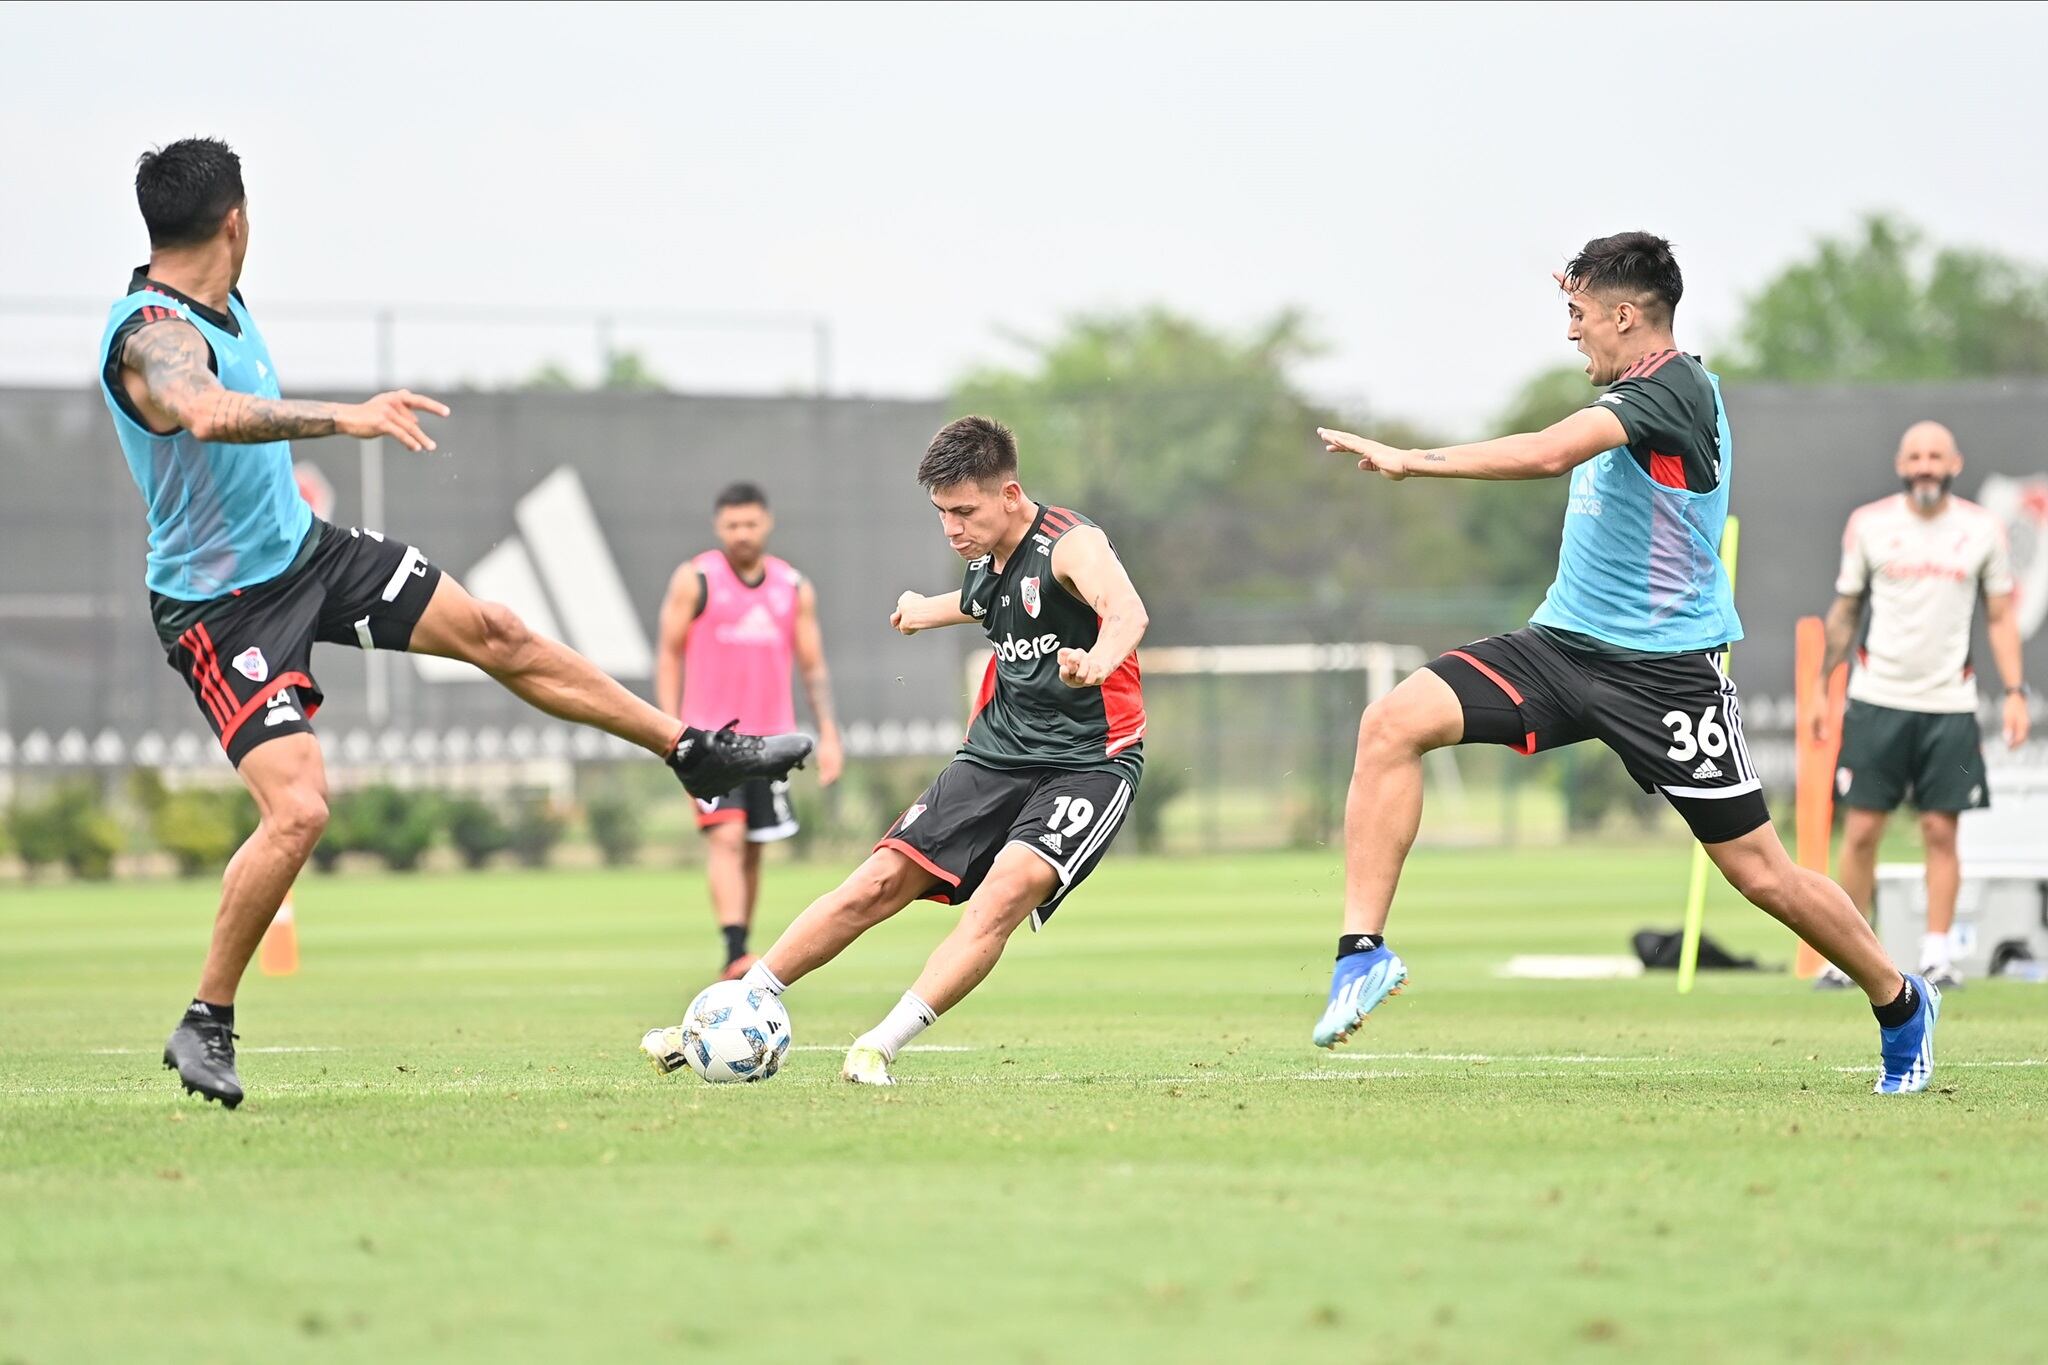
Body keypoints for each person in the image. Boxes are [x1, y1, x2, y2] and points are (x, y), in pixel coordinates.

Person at [100, 139, 810, 1109]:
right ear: (237, 221)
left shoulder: (222, 303)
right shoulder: (148, 331)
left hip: (310, 554)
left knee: (499, 631)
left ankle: (688, 748)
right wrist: (346, 419)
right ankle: (206, 1019)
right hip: (220, 610)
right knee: (301, 808)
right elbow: (205, 411)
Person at [1312, 232, 1939, 1094]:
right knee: (1391, 722)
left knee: (1762, 873)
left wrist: (1413, 458)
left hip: (1665, 673)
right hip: (1561, 648)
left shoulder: (1673, 390)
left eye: (1579, 315)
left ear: (1624, 315)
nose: (1571, 334)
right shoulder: (1632, 384)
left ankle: (1901, 1000)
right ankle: (1361, 953)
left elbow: (1547, 451)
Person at [641, 416, 1148, 1085]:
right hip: (995, 754)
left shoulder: (1071, 545)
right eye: (941, 513)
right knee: (878, 879)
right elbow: (980, 601)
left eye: (964, 511)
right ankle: (740, 1004)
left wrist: (1097, 661)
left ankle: (877, 1046)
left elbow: (1128, 613)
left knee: (1002, 893)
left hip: (1089, 763)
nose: (953, 528)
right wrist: (918, 608)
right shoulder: (985, 559)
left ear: (1009, 493)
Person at [1812, 421, 2029, 990]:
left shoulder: (1981, 530)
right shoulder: (1871, 524)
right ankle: (1847, 955)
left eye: (1935, 455)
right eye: (1916, 456)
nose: (1925, 465)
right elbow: (1845, 610)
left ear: (1954, 462)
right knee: (1861, 831)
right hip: (1876, 698)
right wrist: (1819, 687)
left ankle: (1937, 956)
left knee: (1940, 829)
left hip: (1949, 703)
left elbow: (2002, 617)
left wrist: (2014, 693)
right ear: (1900, 464)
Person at [655, 482, 845, 980]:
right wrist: (668, 733)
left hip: (770, 743)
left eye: (750, 523)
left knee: (755, 844)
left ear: (767, 523)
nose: (742, 533)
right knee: (728, 837)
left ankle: (740, 946)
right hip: (710, 742)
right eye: (732, 525)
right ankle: (735, 949)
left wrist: (829, 732)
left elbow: (813, 665)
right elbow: (669, 654)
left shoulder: (792, 586)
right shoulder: (696, 579)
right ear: (720, 527)